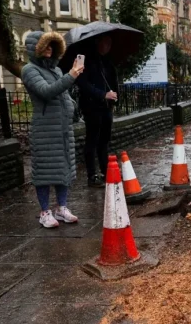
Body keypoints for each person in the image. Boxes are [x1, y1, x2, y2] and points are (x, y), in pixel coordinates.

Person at [21, 31, 85, 228]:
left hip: (63, 128)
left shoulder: (56, 71)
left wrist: (72, 104)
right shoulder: (29, 70)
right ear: (36, 48)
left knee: (63, 169)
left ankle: (61, 208)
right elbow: (46, 92)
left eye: (52, 45)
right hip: (45, 130)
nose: (50, 49)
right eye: (46, 45)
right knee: (44, 172)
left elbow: (61, 93)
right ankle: (44, 212)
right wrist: (72, 75)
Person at [75, 35, 118, 187]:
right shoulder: (83, 59)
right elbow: (82, 83)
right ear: (97, 42)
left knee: (104, 141)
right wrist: (102, 95)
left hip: (106, 106)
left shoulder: (106, 61)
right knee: (92, 140)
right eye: (105, 42)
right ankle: (92, 175)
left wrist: (114, 94)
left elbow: (112, 79)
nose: (108, 46)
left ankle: (106, 172)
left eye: (110, 43)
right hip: (91, 106)